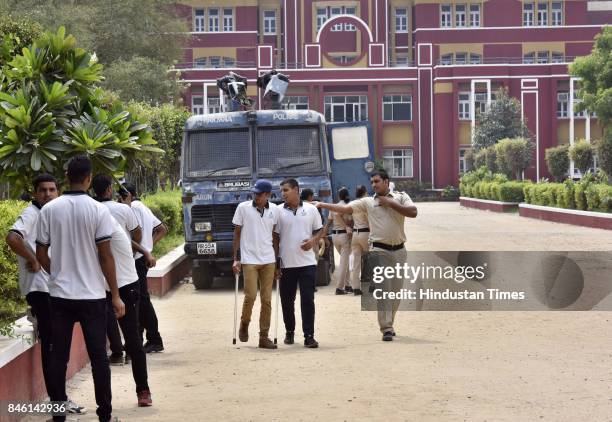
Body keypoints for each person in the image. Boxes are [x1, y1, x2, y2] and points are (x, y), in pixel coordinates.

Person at [36, 156, 125, 422]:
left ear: (66, 177)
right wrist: (116, 295)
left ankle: (58, 414)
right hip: (93, 296)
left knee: (58, 356)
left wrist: (57, 275)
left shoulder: (50, 210)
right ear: (88, 179)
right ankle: (105, 415)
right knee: (99, 357)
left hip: (61, 296)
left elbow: (41, 252)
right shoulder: (99, 211)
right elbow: (106, 256)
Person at [6, 174, 86, 416]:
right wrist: (33, 259)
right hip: (40, 289)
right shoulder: (32, 214)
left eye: (52, 190)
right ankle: (58, 401)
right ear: (34, 193)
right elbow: (12, 237)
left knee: (53, 345)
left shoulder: (51, 213)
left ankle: (58, 399)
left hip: (51, 288)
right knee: (53, 346)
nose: (48, 194)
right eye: (43, 190)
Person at [315, 170, 417, 342]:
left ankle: (390, 322)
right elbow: (345, 208)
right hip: (379, 250)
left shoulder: (401, 196)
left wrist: (390, 203)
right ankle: (386, 328)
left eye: (377, 181)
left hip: (399, 250)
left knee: (396, 291)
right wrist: (324, 205)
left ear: (386, 181)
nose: (374, 184)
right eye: (372, 182)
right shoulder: (368, 202)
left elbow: (413, 212)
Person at [92, 174, 154, 406]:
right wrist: (144, 251)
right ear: (109, 190)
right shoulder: (117, 212)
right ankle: (135, 393)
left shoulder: (99, 214)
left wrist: (144, 252)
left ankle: (134, 392)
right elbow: (132, 238)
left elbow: (123, 241)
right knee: (125, 342)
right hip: (113, 285)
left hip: (112, 285)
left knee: (119, 342)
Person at [274, 179, 325, 348]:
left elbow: (320, 229)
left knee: (308, 300)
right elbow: (275, 238)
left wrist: (313, 241)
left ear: (296, 190)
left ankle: (309, 336)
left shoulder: (311, 209)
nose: (283, 193)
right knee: (287, 301)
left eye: (286, 190)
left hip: (307, 263)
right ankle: (289, 332)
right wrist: (275, 263)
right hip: (286, 264)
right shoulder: (278, 211)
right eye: (281, 190)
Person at [119, 182, 167, 353]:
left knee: (140, 301)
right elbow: (162, 229)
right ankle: (143, 339)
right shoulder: (143, 207)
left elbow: (134, 235)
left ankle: (153, 339)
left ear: (127, 195)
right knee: (140, 300)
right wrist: (148, 249)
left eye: (121, 196)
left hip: (136, 259)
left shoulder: (132, 209)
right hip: (142, 258)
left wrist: (142, 251)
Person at [231, 179, 279, 349]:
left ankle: (263, 337)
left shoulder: (274, 210)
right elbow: (237, 234)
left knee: (266, 300)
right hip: (249, 259)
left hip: (268, 260)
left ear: (267, 195)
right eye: (255, 193)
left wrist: (278, 262)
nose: (255, 196)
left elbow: (275, 237)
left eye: (259, 194)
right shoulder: (243, 208)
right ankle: (244, 323)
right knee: (250, 296)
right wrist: (235, 258)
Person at [329, 187, 353, 295]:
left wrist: (323, 234)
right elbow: (350, 221)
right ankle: (339, 288)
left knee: (345, 261)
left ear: (339, 196)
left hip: (334, 236)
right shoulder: (348, 207)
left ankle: (347, 285)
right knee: (343, 263)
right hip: (344, 236)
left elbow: (328, 222)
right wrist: (348, 227)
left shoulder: (334, 206)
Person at [348, 185, 369, 296]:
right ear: (365, 192)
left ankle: (355, 287)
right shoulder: (365, 204)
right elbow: (370, 220)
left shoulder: (353, 204)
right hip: (365, 233)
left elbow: (349, 219)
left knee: (356, 262)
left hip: (355, 233)